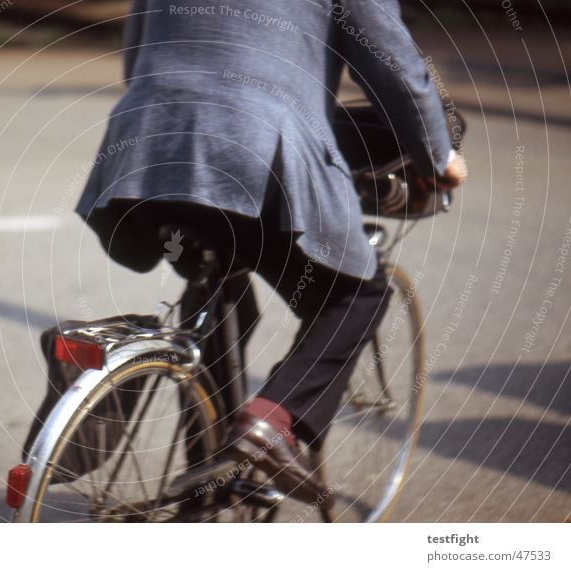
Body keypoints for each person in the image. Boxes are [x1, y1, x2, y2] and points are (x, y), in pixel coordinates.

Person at [75, 0, 468, 504]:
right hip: (253, 139)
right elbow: (393, 67)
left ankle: (208, 475)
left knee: (218, 281)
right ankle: (272, 422)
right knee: (357, 294)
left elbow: (136, 55)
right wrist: (439, 156)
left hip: (146, 140)